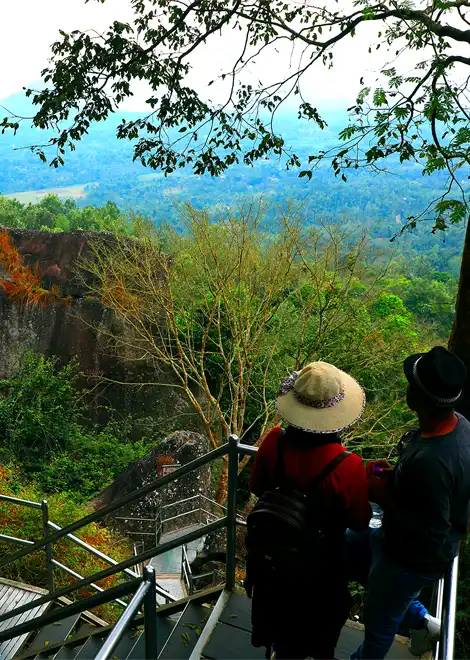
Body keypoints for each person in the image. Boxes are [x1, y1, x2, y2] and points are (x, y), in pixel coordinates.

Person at [348, 346, 470, 660]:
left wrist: (381, 496)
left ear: (419, 398)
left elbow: (429, 537)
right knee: (350, 549)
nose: (407, 388)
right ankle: (421, 622)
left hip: (407, 559)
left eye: (411, 384)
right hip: (396, 544)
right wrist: (394, 477)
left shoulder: (433, 462)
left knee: (379, 624)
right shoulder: (460, 427)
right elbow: (435, 494)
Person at [246, 361, 372, 660]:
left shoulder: (274, 441)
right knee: (318, 634)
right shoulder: (347, 465)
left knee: (276, 620)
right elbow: (360, 519)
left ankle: (276, 649)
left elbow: (256, 486)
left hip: (274, 558)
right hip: (319, 568)